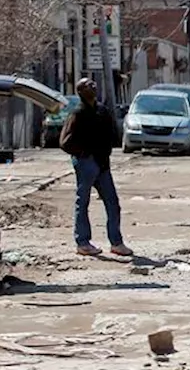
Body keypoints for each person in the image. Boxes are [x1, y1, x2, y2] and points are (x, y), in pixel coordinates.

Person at [59, 78, 133, 257]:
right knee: (82, 202)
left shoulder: (102, 111)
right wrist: (83, 155)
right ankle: (83, 242)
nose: (93, 87)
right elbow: (65, 142)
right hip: (86, 164)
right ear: (81, 92)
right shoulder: (78, 113)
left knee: (112, 202)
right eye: (88, 86)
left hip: (102, 164)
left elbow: (112, 135)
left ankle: (116, 242)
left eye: (94, 84)